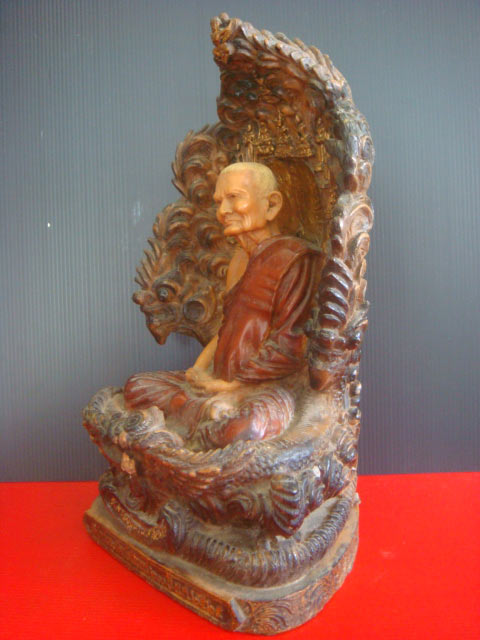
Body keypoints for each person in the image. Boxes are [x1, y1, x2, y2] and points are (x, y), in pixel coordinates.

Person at [124, 162, 323, 448]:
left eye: (234, 198)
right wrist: (199, 369)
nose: (223, 211)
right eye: (219, 202)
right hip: (218, 382)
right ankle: (205, 412)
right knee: (136, 386)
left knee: (245, 427)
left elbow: (289, 345)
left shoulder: (296, 259)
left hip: (265, 388)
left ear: (271, 205)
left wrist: (236, 386)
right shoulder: (239, 261)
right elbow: (226, 328)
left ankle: (203, 417)